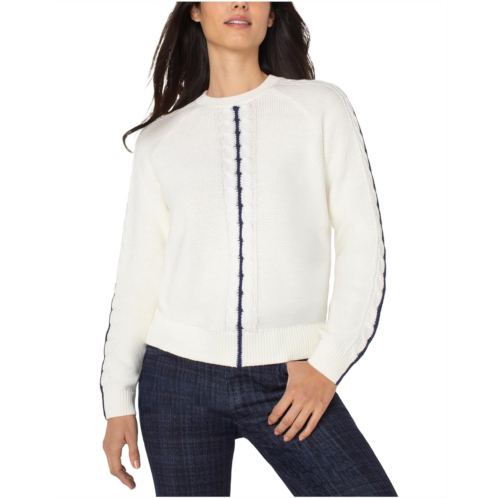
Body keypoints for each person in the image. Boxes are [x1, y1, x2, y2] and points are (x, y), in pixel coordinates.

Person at [100, 2, 397, 497]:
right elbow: (138, 278)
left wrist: (326, 366)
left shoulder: (320, 107)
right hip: (176, 383)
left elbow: (362, 243)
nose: (240, 2)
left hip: (290, 376)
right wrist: (117, 401)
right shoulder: (161, 140)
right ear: (195, 11)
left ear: (273, 15)